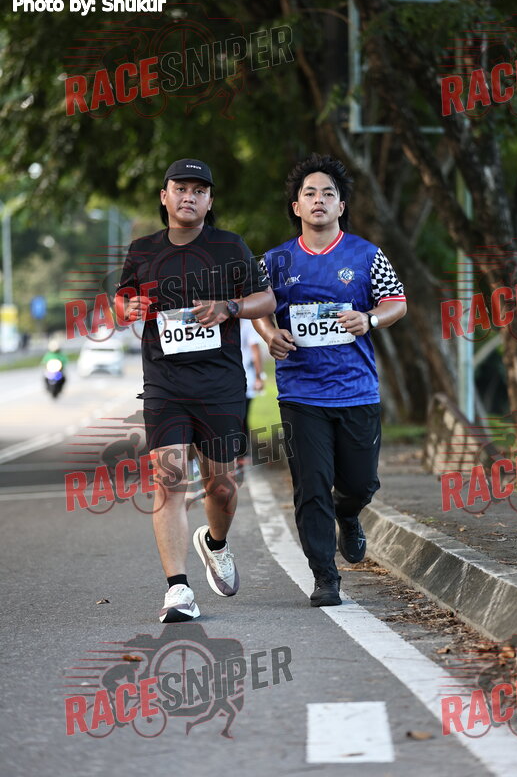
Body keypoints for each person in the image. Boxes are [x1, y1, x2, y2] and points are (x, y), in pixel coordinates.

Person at [115, 158, 275, 623]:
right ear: (164, 196)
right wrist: (129, 306)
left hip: (220, 384)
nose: (189, 196)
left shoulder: (230, 246)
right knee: (167, 481)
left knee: (221, 487)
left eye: (199, 190)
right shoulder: (143, 250)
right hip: (164, 384)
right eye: (181, 188)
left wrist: (229, 307)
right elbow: (121, 301)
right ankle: (178, 589)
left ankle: (216, 543)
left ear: (209, 200)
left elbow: (266, 298)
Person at [253, 153, 407, 607]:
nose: (318, 200)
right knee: (312, 485)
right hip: (301, 393)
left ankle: (349, 512)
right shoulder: (274, 260)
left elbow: (396, 303)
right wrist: (270, 334)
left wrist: (369, 319)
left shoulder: (366, 255)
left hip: (356, 390)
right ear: (296, 206)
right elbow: (258, 306)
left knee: (360, 483)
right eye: (309, 193)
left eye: (328, 194)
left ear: (341, 206)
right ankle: (324, 576)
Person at [239, 318, 265, 460]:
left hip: (246, 377)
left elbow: (255, 350)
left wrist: (258, 377)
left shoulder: (248, 323)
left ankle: (242, 452)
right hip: (232, 377)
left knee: (242, 416)